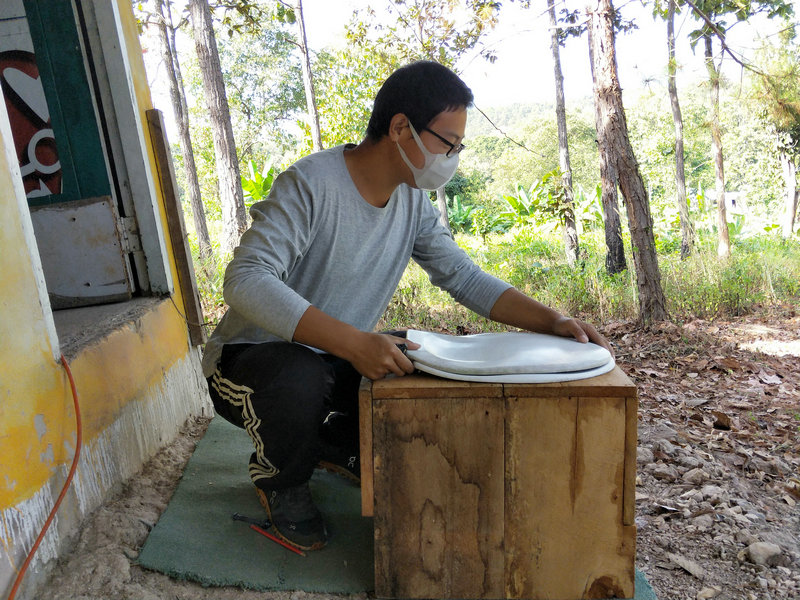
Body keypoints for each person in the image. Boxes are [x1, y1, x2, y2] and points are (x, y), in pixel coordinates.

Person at [201, 60, 612, 552]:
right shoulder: (310, 184)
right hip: (249, 362)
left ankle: (331, 443)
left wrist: (553, 320)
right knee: (300, 378)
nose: (451, 158)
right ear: (400, 128)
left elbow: (463, 277)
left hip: (334, 357)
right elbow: (245, 280)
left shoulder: (412, 203)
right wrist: (355, 343)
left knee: (422, 359)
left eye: (458, 148)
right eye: (447, 143)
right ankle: (281, 481)